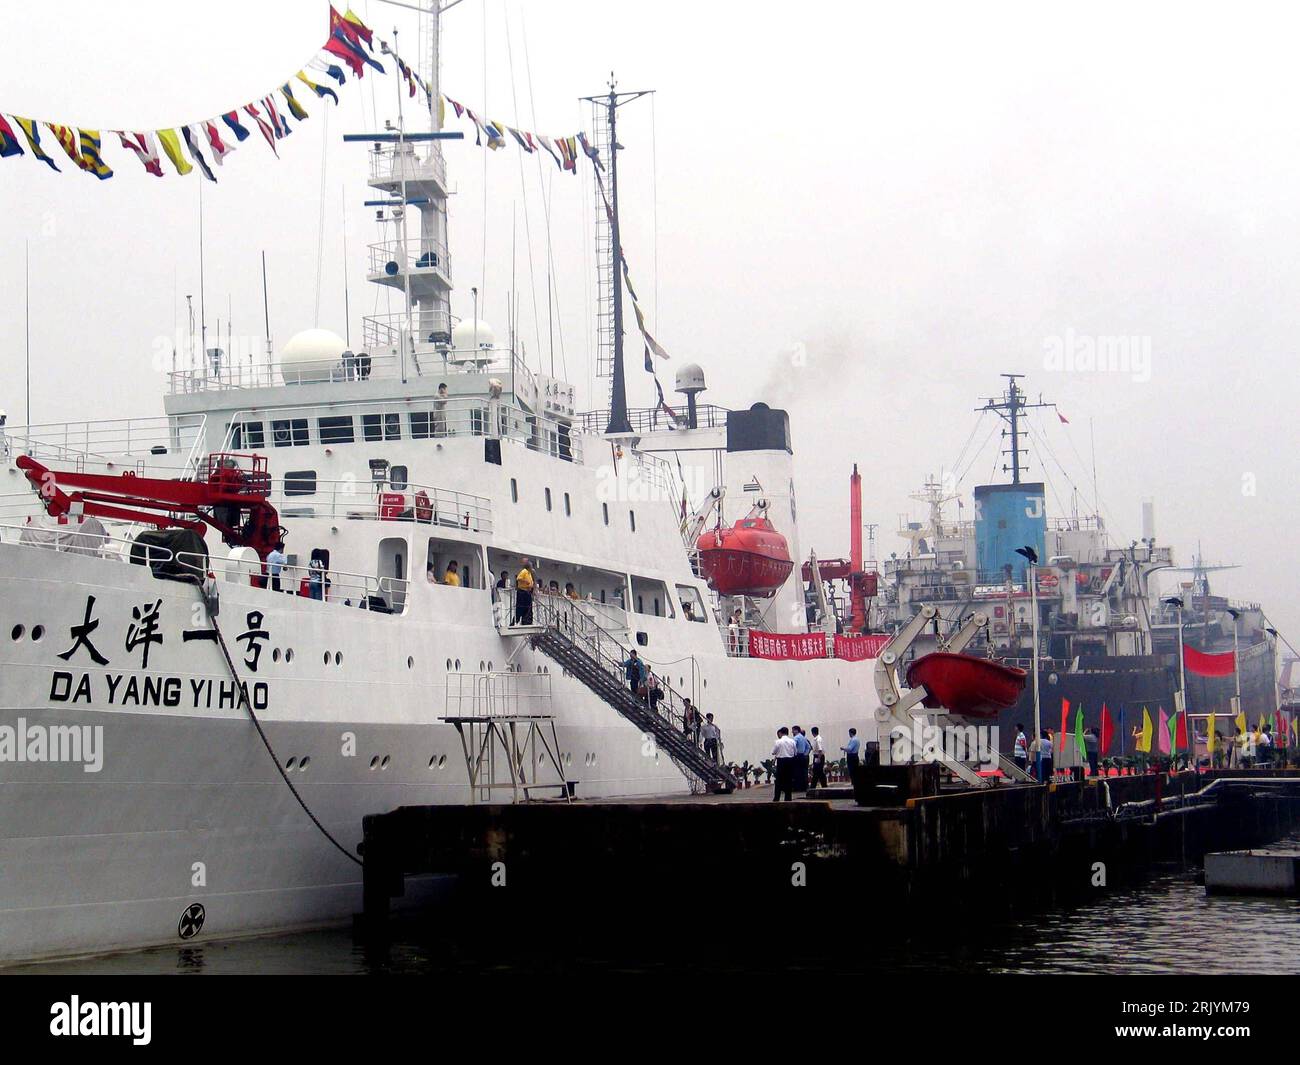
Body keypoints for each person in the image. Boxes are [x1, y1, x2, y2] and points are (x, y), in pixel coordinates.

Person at [771, 727, 796, 802]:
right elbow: (795, 752)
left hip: (781, 761)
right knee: (788, 780)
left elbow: (773, 752)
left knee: (779, 780)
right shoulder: (792, 741)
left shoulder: (778, 742)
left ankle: (777, 798)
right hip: (790, 761)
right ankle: (788, 798)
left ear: (781, 733)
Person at [514, 558, 535, 624]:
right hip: (522, 591)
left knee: (528, 608)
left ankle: (527, 621)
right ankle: (518, 620)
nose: (532, 568)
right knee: (522, 607)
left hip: (527, 592)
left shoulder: (529, 573)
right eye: (531, 566)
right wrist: (526, 582)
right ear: (529, 566)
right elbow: (519, 578)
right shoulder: (524, 571)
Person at [792, 725, 811, 792]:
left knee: (797, 772)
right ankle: (804, 787)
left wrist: (794, 754)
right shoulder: (803, 738)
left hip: (797, 756)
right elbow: (809, 747)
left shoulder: (796, 738)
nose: (792, 732)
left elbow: (793, 747)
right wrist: (805, 754)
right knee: (804, 772)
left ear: (796, 730)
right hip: (803, 756)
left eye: (793, 730)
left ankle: (798, 787)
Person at [809, 726, 828, 790]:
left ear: (812, 732)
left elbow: (820, 750)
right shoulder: (815, 739)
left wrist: (819, 758)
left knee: (817, 771)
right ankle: (822, 785)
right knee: (818, 772)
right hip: (816, 756)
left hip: (818, 756)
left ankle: (814, 786)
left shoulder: (818, 739)